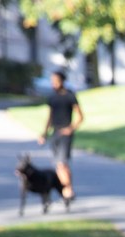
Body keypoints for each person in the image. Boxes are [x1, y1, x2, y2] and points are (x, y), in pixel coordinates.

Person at [37, 71, 83, 201]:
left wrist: (71, 128)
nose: (53, 83)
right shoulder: (52, 97)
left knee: (62, 162)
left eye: (55, 81)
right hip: (55, 132)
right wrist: (44, 134)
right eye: (52, 81)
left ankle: (68, 189)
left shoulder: (70, 96)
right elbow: (49, 117)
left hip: (65, 133)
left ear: (62, 81)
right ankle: (65, 189)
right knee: (57, 164)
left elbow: (80, 116)